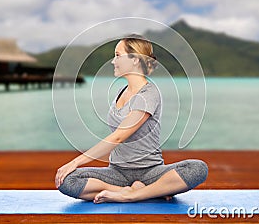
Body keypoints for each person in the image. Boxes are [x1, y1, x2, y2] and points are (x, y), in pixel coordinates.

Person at [55, 34, 208, 203]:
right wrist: (74, 168)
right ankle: (130, 191)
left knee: (197, 168)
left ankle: (134, 195)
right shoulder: (120, 92)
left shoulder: (148, 94)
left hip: (151, 172)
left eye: (118, 55)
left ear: (135, 59)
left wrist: (75, 161)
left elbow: (118, 136)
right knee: (67, 180)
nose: (113, 61)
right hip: (117, 173)